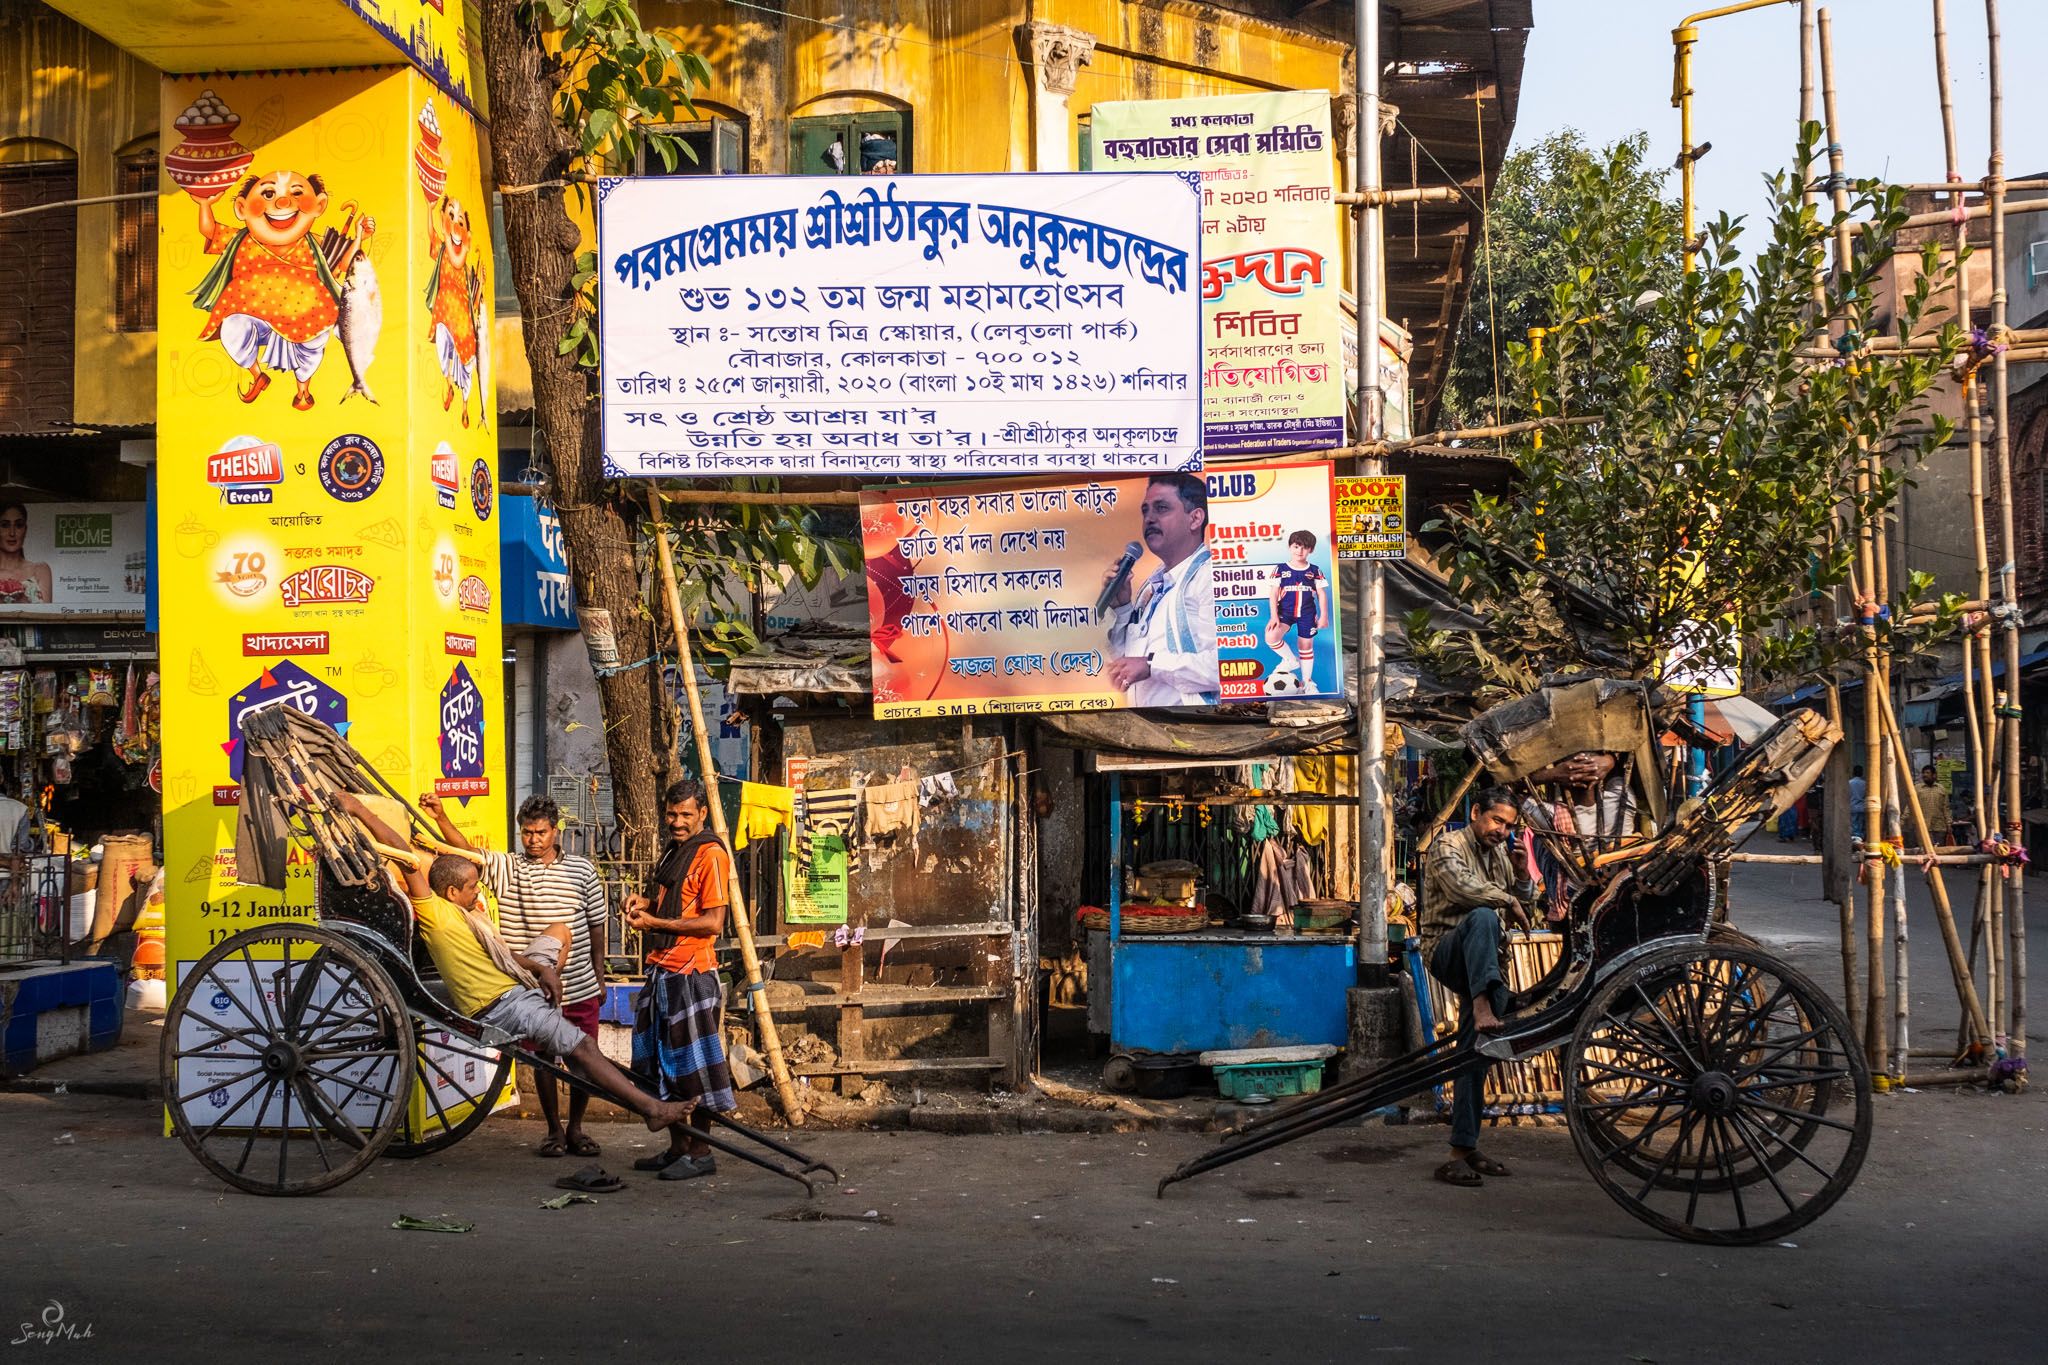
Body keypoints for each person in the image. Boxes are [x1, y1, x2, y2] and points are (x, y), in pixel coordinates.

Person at [334, 793, 696, 1141]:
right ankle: (651, 1109)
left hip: (528, 982)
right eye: (473, 887)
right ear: (449, 893)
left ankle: (581, 1117)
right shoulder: (435, 911)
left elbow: (508, 952)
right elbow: (408, 855)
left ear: (555, 831)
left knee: (560, 933)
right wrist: (359, 810)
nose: (480, 893)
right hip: (502, 1002)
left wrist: (545, 971)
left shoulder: (466, 914)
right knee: (583, 1049)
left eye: (541, 832)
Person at [421, 791, 609, 1159]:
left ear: (556, 831)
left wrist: (600, 974)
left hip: (579, 982)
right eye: (527, 833)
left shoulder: (582, 870)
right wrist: (441, 817)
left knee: (585, 1059)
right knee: (544, 1060)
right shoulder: (507, 868)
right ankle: (554, 1130)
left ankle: (577, 1128)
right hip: (531, 984)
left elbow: (597, 924)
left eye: (540, 833)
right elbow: (463, 853)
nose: (533, 840)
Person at [621, 780, 739, 1181]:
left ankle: (702, 1152)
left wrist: (654, 920)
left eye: (686, 814)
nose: (677, 821)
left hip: (691, 971)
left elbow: (712, 922)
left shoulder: (710, 854)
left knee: (693, 1067)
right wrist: (646, 903)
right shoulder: (675, 851)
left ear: (702, 814)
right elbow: (677, 902)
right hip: (662, 967)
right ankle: (678, 1147)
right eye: (672, 814)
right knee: (660, 1064)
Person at [1419, 787, 1537, 1189]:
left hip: (1485, 968)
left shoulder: (1502, 857)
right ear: (1476, 813)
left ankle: (1462, 1151)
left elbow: (1527, 912)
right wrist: (1507, 899)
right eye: (1496, 821)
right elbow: (1461, 891)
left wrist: (1521, 878)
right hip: (1447, 953)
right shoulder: (1447, 845)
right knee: (1485, 916)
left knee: (1475, 1055)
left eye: (1508, 825)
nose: (1501, 831)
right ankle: (1483, 1002)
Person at [1103, 472, 1219, 707]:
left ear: (1195, 519)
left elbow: (1223, 667)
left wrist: (1151, 665)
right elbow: (1127, 664)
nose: (1149, 519)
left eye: (1162, 508)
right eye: (1145, 510)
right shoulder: (1154, 583)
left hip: (1196, 731)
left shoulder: (1209, 577)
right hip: (1148, 728)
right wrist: (1123, 608)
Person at [1265, 530, 1328, 691]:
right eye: (1296, 546)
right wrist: (1273, 616)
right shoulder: (1280, 569)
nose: (1300, 551)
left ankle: (1307, 682)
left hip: (1306, 613)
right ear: (1289, 547)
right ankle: (1290, 660)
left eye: (1305, 548)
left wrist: (1323, 616)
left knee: (1306, 645)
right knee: (1271, 636)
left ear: (1311, 550)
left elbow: (1321, 593)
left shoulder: (1314, 570)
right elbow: (1273, 594)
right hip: (1284, 612)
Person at [0, 503, 52, 605]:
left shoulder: (40, 570)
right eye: (5, 525)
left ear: (25, 530)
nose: (12, 533)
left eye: (18, 525)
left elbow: (47, 617)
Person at [1913, 765, 1953, 849]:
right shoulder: (1917, 789)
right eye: (1923, 773)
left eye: (1927, 773)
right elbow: (1910, 806)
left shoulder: (1941, 789)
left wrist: (1949, 824)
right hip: (1924, 826)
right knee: (1927, 849)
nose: (1925, 775)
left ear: (1934, 775)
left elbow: (1946, 808)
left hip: (1940, 826)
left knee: (1940, 850)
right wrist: (1902, 821)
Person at [1848, 765, 1868, 843]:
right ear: (1862, 773)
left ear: (1853, 773)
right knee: (1861, 827)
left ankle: (1855, 842)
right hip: (1862, 808)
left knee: (1853, 827)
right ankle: (1859, 841)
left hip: (1852, 807)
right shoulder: (1865, 784)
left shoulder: (1849, 783)